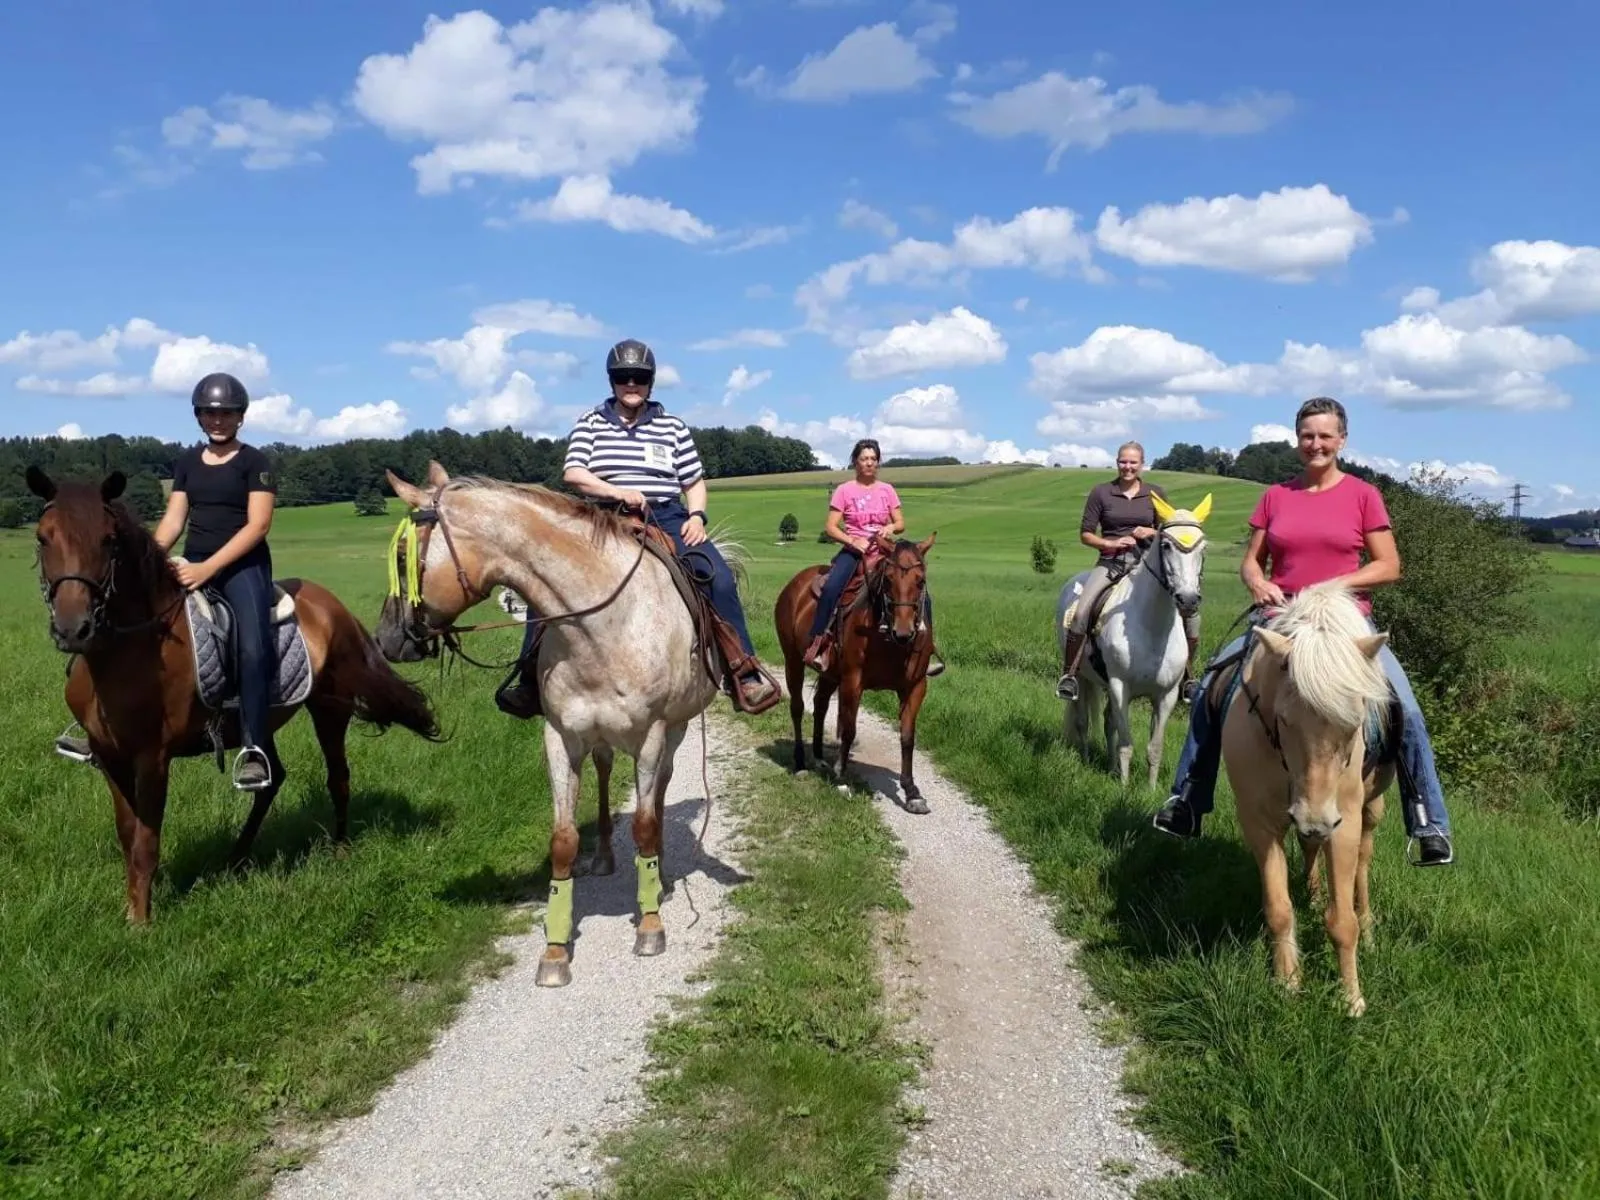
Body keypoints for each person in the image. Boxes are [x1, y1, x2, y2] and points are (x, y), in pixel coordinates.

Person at [1151, 396, 1455, 867]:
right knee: (1214, 683)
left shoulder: (1363, 495)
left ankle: (1428, 821)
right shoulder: (1276, 496)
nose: (1316, 444)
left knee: (1405, 706)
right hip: (1281, 620)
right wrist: (1257, 580)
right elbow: (1253, 560)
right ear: (1298, 441)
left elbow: (1389, 565)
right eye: (1307, 436)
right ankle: (1187, 799)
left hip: (1342, 624)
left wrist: (1333, 585)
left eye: (1325, 435)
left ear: (1342, 440)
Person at [495, 338, 781, 717]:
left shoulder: (673, 427)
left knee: (720, 578)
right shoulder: (591, 422)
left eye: (640, 378)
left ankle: (742, 671)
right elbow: (574, 473)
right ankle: (530, 679)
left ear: (651, 381)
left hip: (666, 515)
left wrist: (696, 517)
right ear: (612, 380)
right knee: (547, 579)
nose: (632, 384)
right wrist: (617, 491)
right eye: (623, 377)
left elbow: (693, 482)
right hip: (600, 515)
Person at [57, 373, 281, 789]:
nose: (218, 419)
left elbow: (258, 526)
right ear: (198, 416)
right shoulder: (187, 464)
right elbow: (175, 520)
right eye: (210, 412)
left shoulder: (256, 463)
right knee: (119, 622)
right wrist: (149, 560)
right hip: (191, 561)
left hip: (243, 568)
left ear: (240, 417)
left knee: (252, 646)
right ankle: (96, 724)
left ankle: (254, 746)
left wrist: (207, 569)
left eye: (226, 413)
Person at [1057, 441, 1200, 701]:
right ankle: (1069, 676)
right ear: (1117, 462)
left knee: (1191, 616)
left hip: (1150, 568)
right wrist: (1110, 543)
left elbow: (1169, 534)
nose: (1128, 467)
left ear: (1142, 464)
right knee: (1080, 613)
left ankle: (1188, 678)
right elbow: (1086, 535)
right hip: (1111, 564)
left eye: (1133, 462)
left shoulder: (1155, 494)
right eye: (1123, 461)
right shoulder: (1101, 493)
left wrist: (1151, 531)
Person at [802, 438, 944, 676]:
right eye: (864, 459)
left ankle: (926, 649)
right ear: (855, 463)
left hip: (886, 551)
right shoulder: (844, 491)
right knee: (832, 587)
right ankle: (819, 643)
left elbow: (900, 522)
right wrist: (852, 540)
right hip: (855, 551)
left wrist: (890, 528)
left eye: (873, 459)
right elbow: (831, 527)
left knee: (919, 590)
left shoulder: (887, 490)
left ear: (878, 463)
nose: (869, 463)